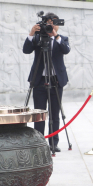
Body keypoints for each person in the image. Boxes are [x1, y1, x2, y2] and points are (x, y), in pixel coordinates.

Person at [23, 13, 70, 153]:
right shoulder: (37, 38)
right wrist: (32, 33)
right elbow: (26, 50)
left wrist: (55, 36)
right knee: (39, 114)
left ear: (57, 25)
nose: (50, 26)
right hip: (39, 81)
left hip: (56, 80)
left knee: (55, 114)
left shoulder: (62, 39)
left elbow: (66, 50)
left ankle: (53, 143)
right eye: (48, 23)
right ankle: (39, 143)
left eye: (53, 23)